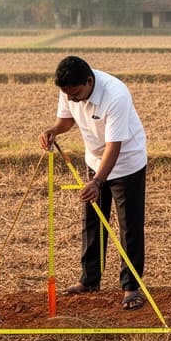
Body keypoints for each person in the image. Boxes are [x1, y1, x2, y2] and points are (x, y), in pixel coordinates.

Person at [38, 55, 148, 311]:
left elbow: (114, 145)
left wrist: (98, 181)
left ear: (89, 81)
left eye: (77, 94)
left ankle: (131, 288)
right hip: (95, 160)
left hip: (126, 164)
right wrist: (54, 130)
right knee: (93, 220)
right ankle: (89, 280)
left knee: (128, 226)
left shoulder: (116, 95)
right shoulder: (70, 90)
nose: (73, 99)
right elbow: (67, 119)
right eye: (69, 95)